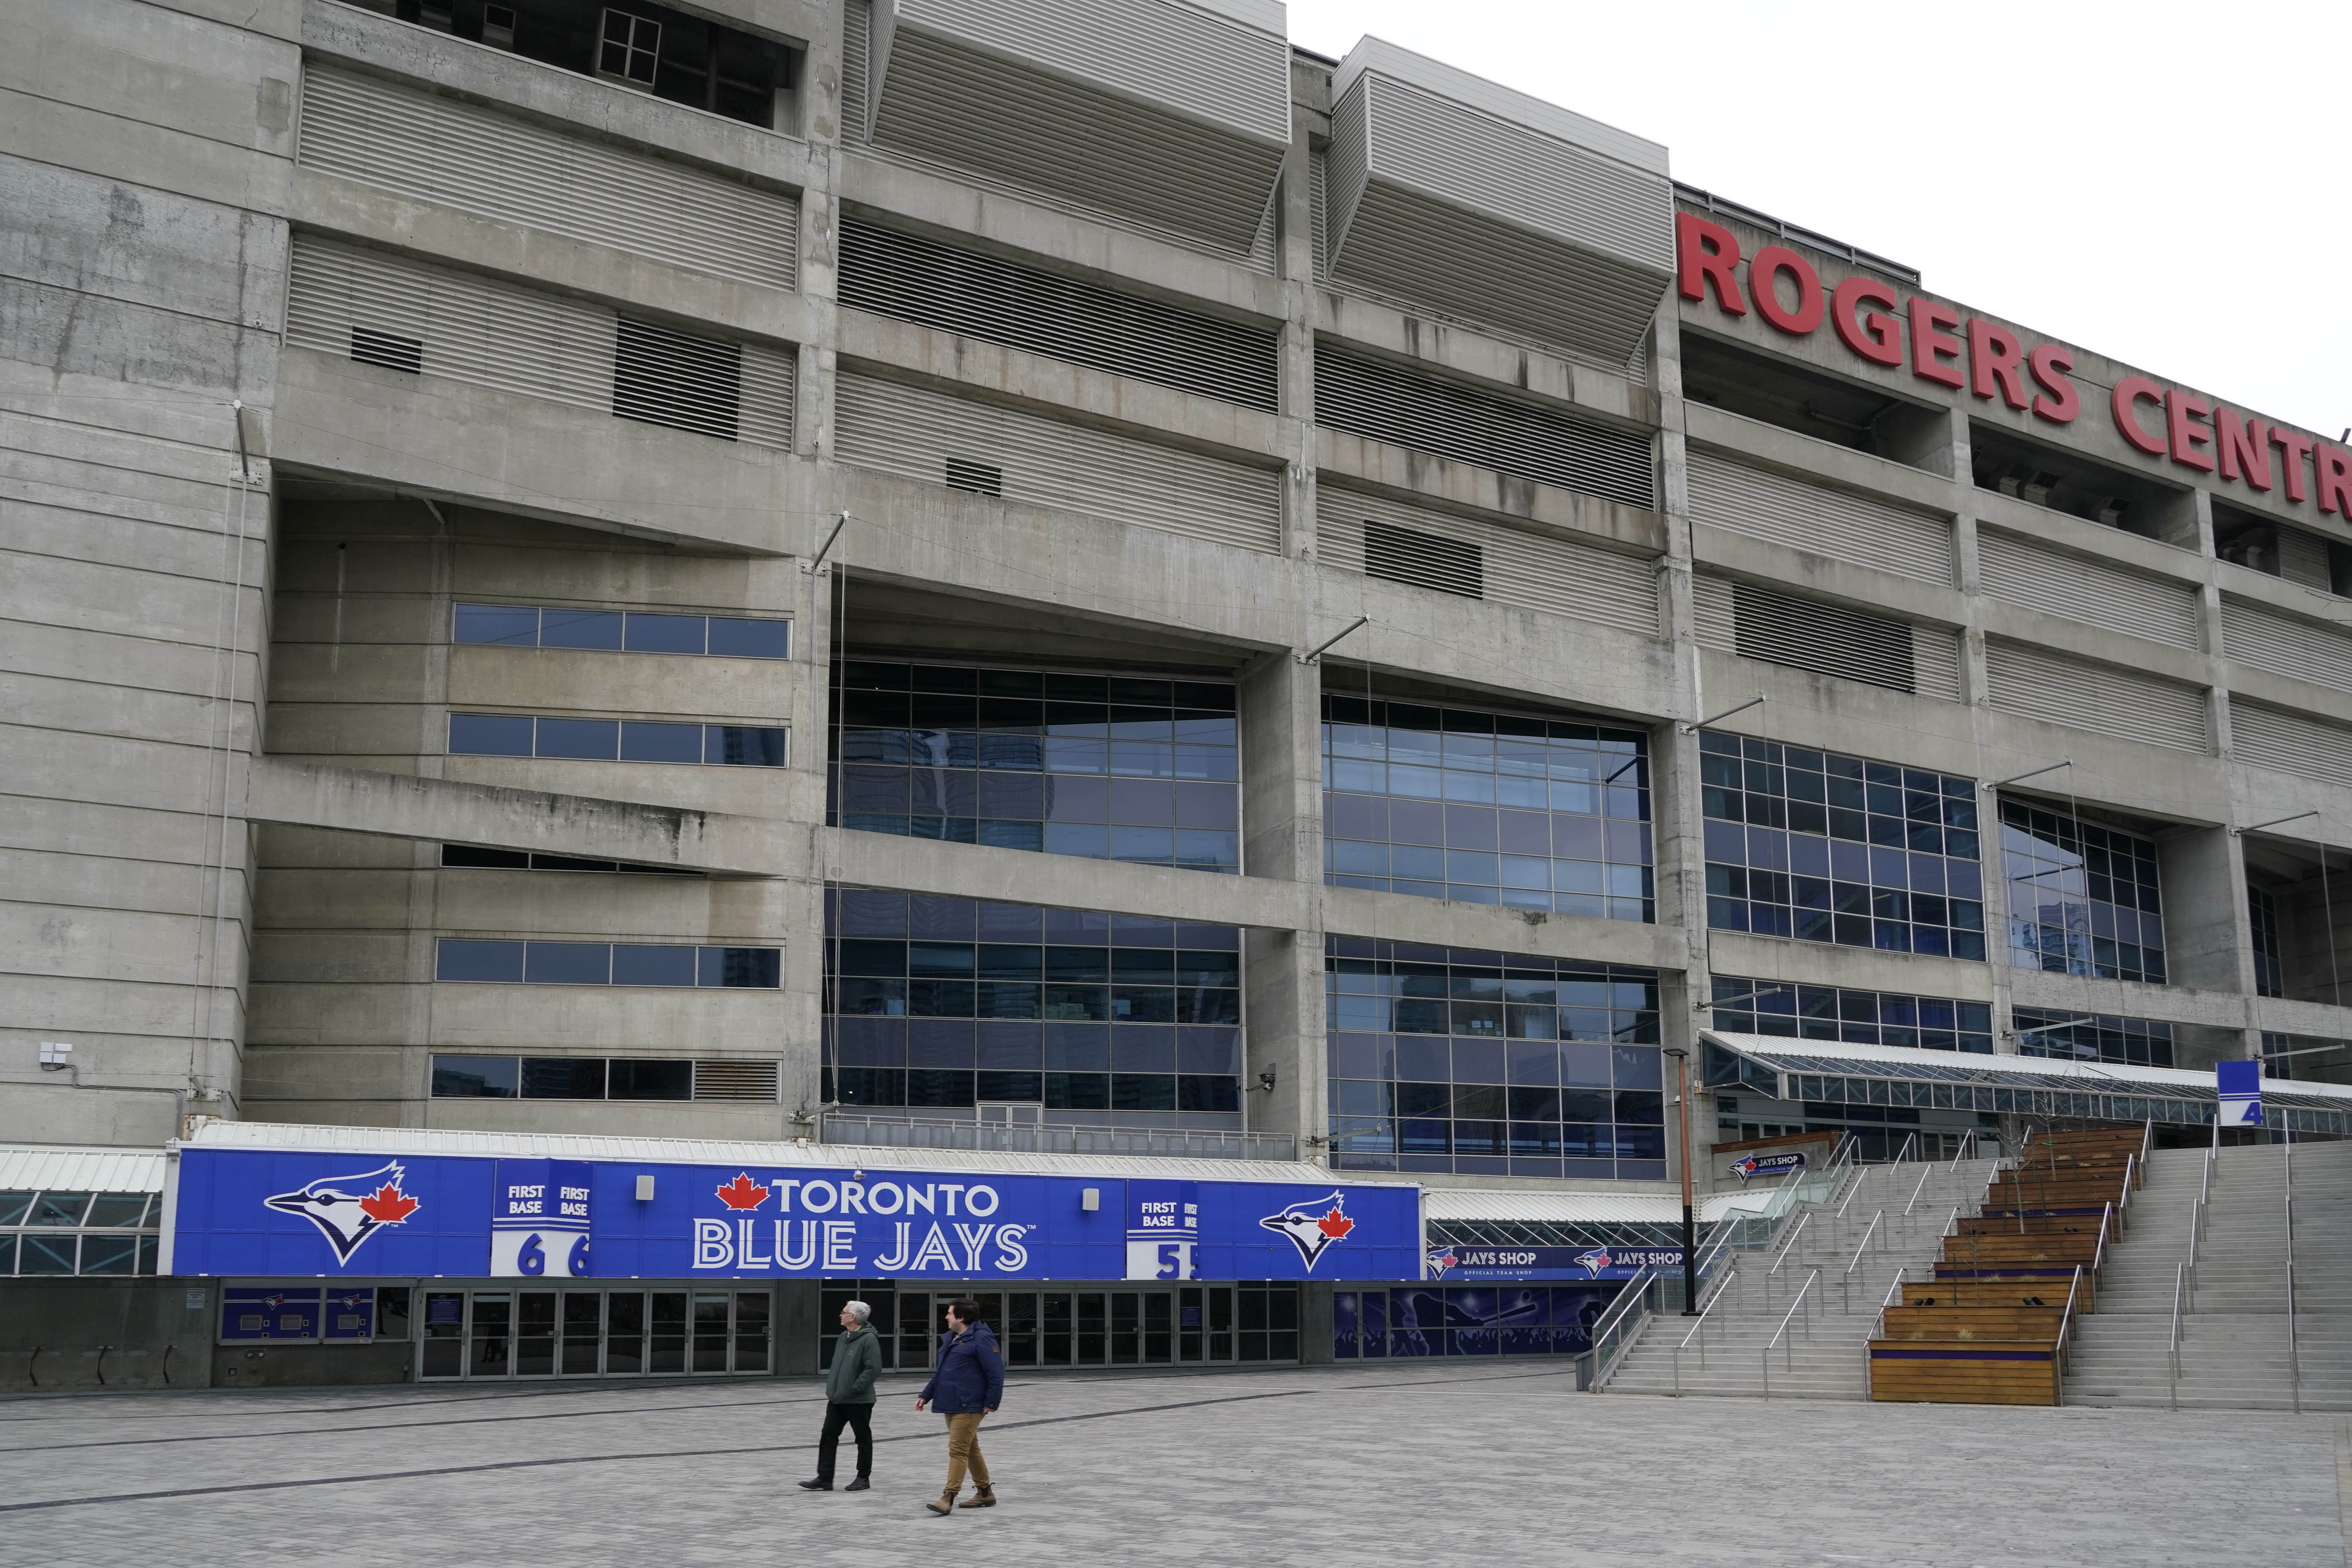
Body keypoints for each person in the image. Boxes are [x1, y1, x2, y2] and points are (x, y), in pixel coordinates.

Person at [913, 1298, 1002, 1514]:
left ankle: (948, 1497)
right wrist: (927, 1394)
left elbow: (996, 1372)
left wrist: (991, 1402)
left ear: (961, 1318)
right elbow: (943, 1372)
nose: (946, 1317)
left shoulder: (982, 1339)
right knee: (970, 1448)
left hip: (970, 1404)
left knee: (958, 1450)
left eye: (950, 1314)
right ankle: (984, 1493)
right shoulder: (953, 1339)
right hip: (951, 1403)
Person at [800, 1300, 881, 1492]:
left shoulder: (868, 1339)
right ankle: (825, 1478)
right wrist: (833, 1390)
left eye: (843, 1312)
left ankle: (863, 1477)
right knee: (828, 1436)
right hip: (837, 1399)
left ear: (852, 1317)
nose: (840, 1315)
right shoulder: (843, 1337)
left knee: (862, 1438)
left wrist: (854, 1389)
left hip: (858, 1400)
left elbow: (874, 1369)